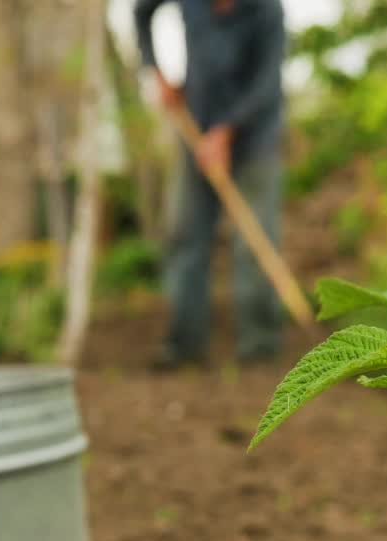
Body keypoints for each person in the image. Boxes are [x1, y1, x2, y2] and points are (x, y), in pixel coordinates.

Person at [134, 0, 286, 369]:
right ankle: (184, 345)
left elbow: (267, 83)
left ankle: (261, 348)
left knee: (255, 238)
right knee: (185, 236)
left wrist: (226, 130)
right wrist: (156, 71)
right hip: (196, 128)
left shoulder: (267, 11)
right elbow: (141, 11)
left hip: (255, 137)